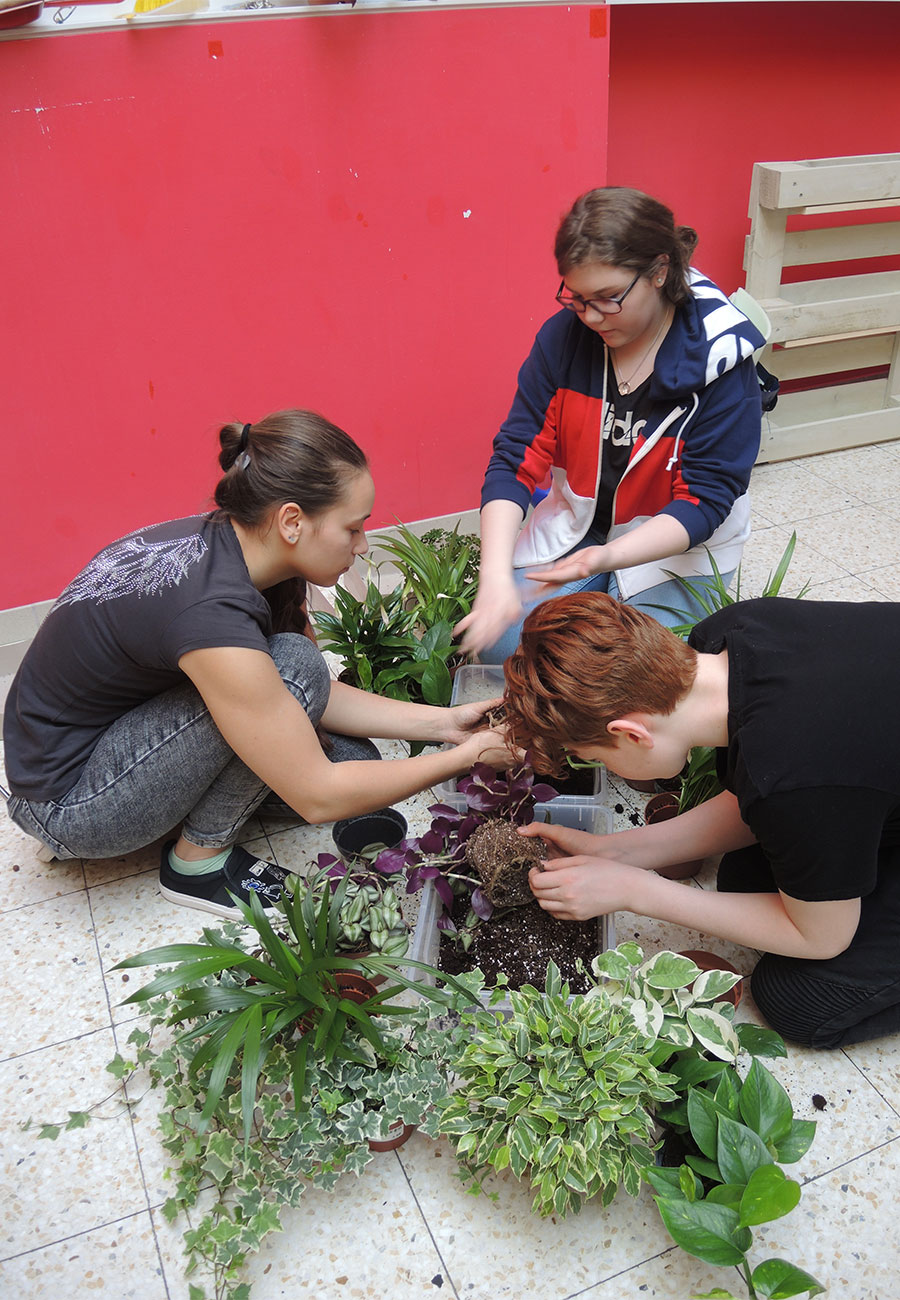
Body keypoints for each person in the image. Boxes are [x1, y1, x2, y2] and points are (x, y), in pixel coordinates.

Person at [3, 409, 512, 919]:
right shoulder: (211, 613)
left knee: (355, 761)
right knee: (297, 675)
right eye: (353, 528)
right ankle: (197, 863)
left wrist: (446, 725)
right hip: (70, 802)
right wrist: (464, 759)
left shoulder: (243, 544)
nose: (361, 547)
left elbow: (315, 695)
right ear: (292, 520)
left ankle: (200, 815)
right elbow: (315, 790)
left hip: (115, 740)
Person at [502, 590, 900, 1050]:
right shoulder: (729, 635)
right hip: (857, 766)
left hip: (833, 781)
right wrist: (612, 852)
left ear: (630, 733)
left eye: (594, 758)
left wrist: (636, 891)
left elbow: (822, 938)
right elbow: (757, 797)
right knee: (746, 878)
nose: (606, 770)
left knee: (797, 999)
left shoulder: (793, 770)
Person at [456, 186, 766, 663]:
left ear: (660, 271)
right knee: (503, 648)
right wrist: (495, 578)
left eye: (607, 298)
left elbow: (706, 501)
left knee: (615, 673)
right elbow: (515, 457)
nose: (591, 316)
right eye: (576, 298)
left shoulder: (721, 360)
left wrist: (604, 559)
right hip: (581, 527)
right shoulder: (566, 338)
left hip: (674, 552)